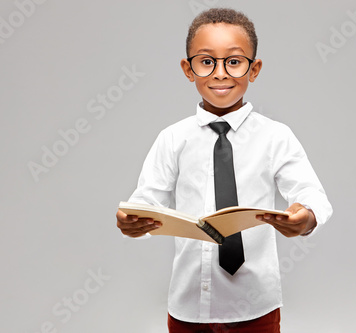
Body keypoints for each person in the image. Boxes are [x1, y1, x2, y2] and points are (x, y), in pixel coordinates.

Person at [116, 7, 332, 332]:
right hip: (188, 306)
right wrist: (133, 221)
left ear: (254, 68)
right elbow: (148, 200)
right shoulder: (173, 138)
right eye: (206, 61)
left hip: (256, 306)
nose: (220, 73)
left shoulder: (275, 137)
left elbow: (311, 194)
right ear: (188, 70)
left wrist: (306, 218)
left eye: (233, 61)